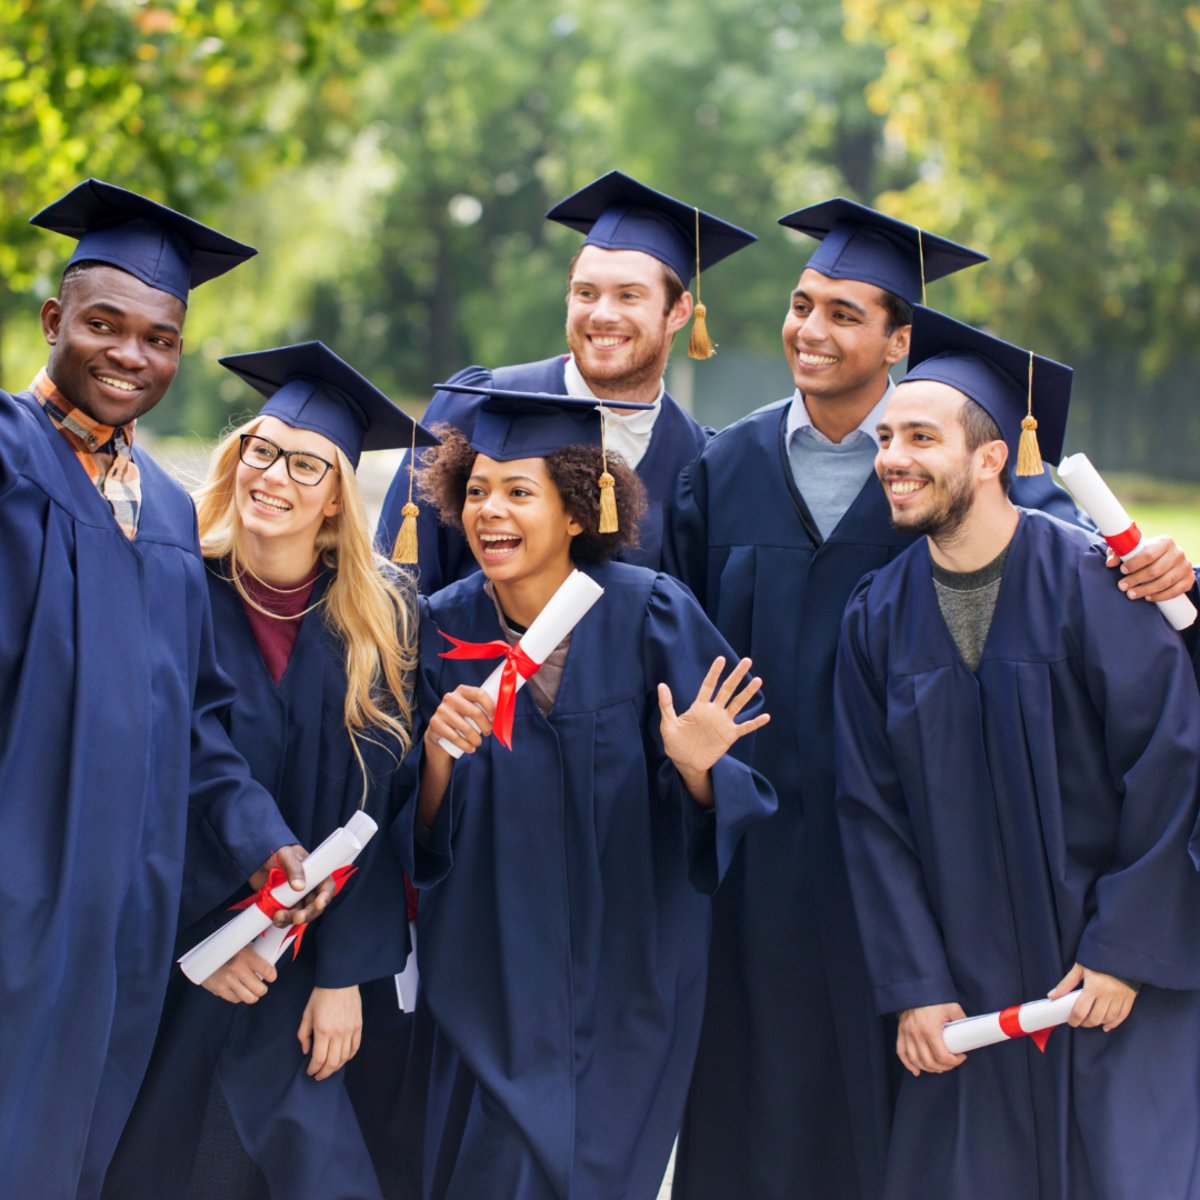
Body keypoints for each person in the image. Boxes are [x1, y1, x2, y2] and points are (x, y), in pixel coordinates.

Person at [665, 199, 1194, 1200]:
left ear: (899, 345)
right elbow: (681, 647)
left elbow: (1158, 734)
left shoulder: (1023, 534)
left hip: (995, 895)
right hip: (781, 863)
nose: (812, 330)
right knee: (772, 1107)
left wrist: (1180, 577)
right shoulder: (728, 474)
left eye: (845, 313)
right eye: (800, 304)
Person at [0, 179, 334, 1200]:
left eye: (158, 338)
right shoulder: (7, 459)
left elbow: (193, 716)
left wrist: (258, 834)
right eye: (104, 326)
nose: (130, 356)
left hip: (123, 919)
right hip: (18, 892)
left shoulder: (171, 512)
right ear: (55, 320)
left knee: (75, 1149)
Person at [834, 306, 1200, 1199]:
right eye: (886, 438)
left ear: (992, 457)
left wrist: (1126, 950)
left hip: (1107, 990)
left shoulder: (1101, 589)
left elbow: (1172, 770)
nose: (893, 457)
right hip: (969, 1002)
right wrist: (915, 986)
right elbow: (871, 817)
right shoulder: (876, 617)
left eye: (922, 436)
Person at [395, 384, 777, 1199]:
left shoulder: (652, 616)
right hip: (484, 978)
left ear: (576, 509)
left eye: (518, 491)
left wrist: (696, 764)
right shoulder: (434, 631)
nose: (490, 511)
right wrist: (435, 755)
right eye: (476, 490)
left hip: (627, 980)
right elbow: (412, 836)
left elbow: (726, 807)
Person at [102, 343, 434, 1199]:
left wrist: (342, 974)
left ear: (335, 500)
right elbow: (134, 782)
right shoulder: (170, 587)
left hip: (308, 974)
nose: (273, 476)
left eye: (305, 463)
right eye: (261, 449)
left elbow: (381, 813)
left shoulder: (379, 624)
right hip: (179, 962)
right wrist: (197, 944)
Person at [375, 170, 756, 585]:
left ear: (680, 312)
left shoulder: (700, 459)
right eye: (586, 293)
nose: (602, 314)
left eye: (629, 295)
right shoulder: (480, 405)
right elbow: (400, 581)